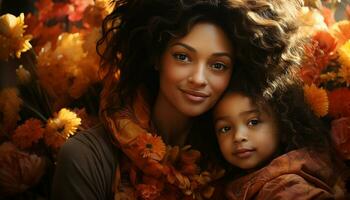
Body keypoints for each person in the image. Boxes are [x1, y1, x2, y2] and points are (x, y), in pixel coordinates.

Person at [51, 0, 306, 199]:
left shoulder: (238, 153)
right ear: (156, 56)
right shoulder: (85, 158)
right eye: (183, 57)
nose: (198, 78)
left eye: (218, 65)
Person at [212, 72, 347, 199]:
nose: (238, 136)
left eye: (253, 122)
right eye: (225, 128)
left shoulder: (285, 187)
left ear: (282, 126)